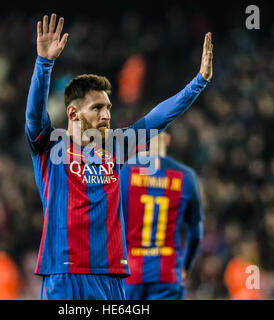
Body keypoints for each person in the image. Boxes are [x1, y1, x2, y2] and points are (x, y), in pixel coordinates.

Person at [25, 13, 213, 300]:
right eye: (98, 108)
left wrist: (198, 82)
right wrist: (44, 63)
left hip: (111, 277)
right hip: (64, 274)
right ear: (73, 113)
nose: (107, 115)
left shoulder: (116, 147)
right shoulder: (49, 146)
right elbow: (34, 114)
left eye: (109, 107)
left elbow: (157, 118)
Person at [120, 132, 204, 300]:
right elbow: (195, 234)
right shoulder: (186, 176)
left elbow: (111, 222)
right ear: (167, 139)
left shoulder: (125, 171)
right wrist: (186, 266)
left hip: (131, 271)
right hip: (167, 270)